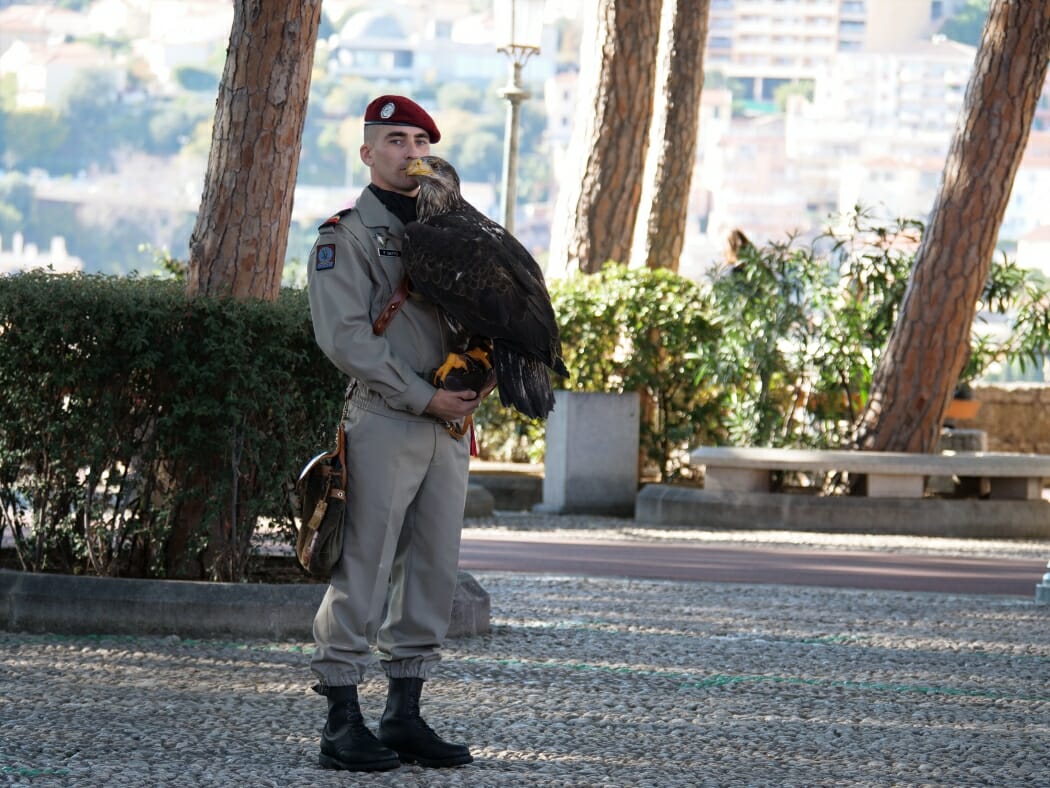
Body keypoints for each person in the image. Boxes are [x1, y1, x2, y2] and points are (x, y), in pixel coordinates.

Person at [305, 95, 486, 772]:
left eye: (419, 141)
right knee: (365, 565)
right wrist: (423, 395)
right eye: (395, 140)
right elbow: (344, 338)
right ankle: (341, 719)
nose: (410, 152)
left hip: (447, 427)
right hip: (386, 419)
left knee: (433, 570)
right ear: (368, 153)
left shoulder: (457, 229)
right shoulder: (344, 236)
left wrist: (482, 373)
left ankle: (403, 713)